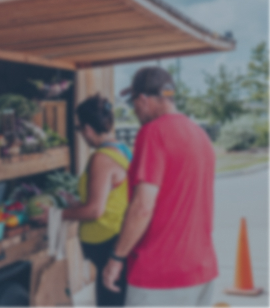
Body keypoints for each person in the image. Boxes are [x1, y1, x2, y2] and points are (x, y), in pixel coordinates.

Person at [102, 67, 218, 307]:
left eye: (133, 101)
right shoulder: (200, 135)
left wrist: (116, 257)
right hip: (201, 269)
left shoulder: (153, 132)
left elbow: (143, 206)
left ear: (144, 99)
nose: (133, 109)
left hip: (161, 274)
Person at [35, 95, 132, 306]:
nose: (80, 134)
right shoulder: (121, 149)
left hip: (107, 242)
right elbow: (109, 201)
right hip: (114, 239)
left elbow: (96, 211)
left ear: (88, 128)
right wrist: (77, 204)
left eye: (79, 128)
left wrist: (54, 215)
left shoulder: (101, 158)